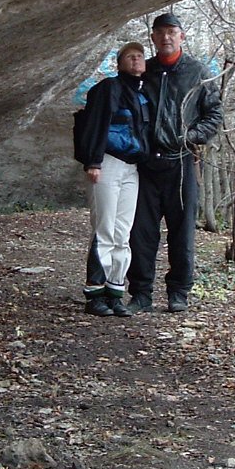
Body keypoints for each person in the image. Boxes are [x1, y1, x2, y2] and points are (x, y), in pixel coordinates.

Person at [126, 13, 223, 314]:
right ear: (152, 38)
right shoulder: (144, 71)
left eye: (172, 32)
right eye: (160, 33)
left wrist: (191, 136)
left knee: (182, 233)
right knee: (141, 233)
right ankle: (140, 294)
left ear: (182, 36)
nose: (166, 37)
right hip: (146, 165)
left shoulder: (197, 72)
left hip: (181, 163)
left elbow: (215, 114)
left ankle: (178, 292)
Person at [75, 42, 151, 317]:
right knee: (104, 229)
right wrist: (93, 162)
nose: (136, 60)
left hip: (132, 168)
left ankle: (115, 291)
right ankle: (95, 293)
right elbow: (96, 123)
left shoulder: (142, 92)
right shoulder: (108, 88)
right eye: (130, 57)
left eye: (140, 56)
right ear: (119, 63)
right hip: (107, 163)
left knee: (123, 232)